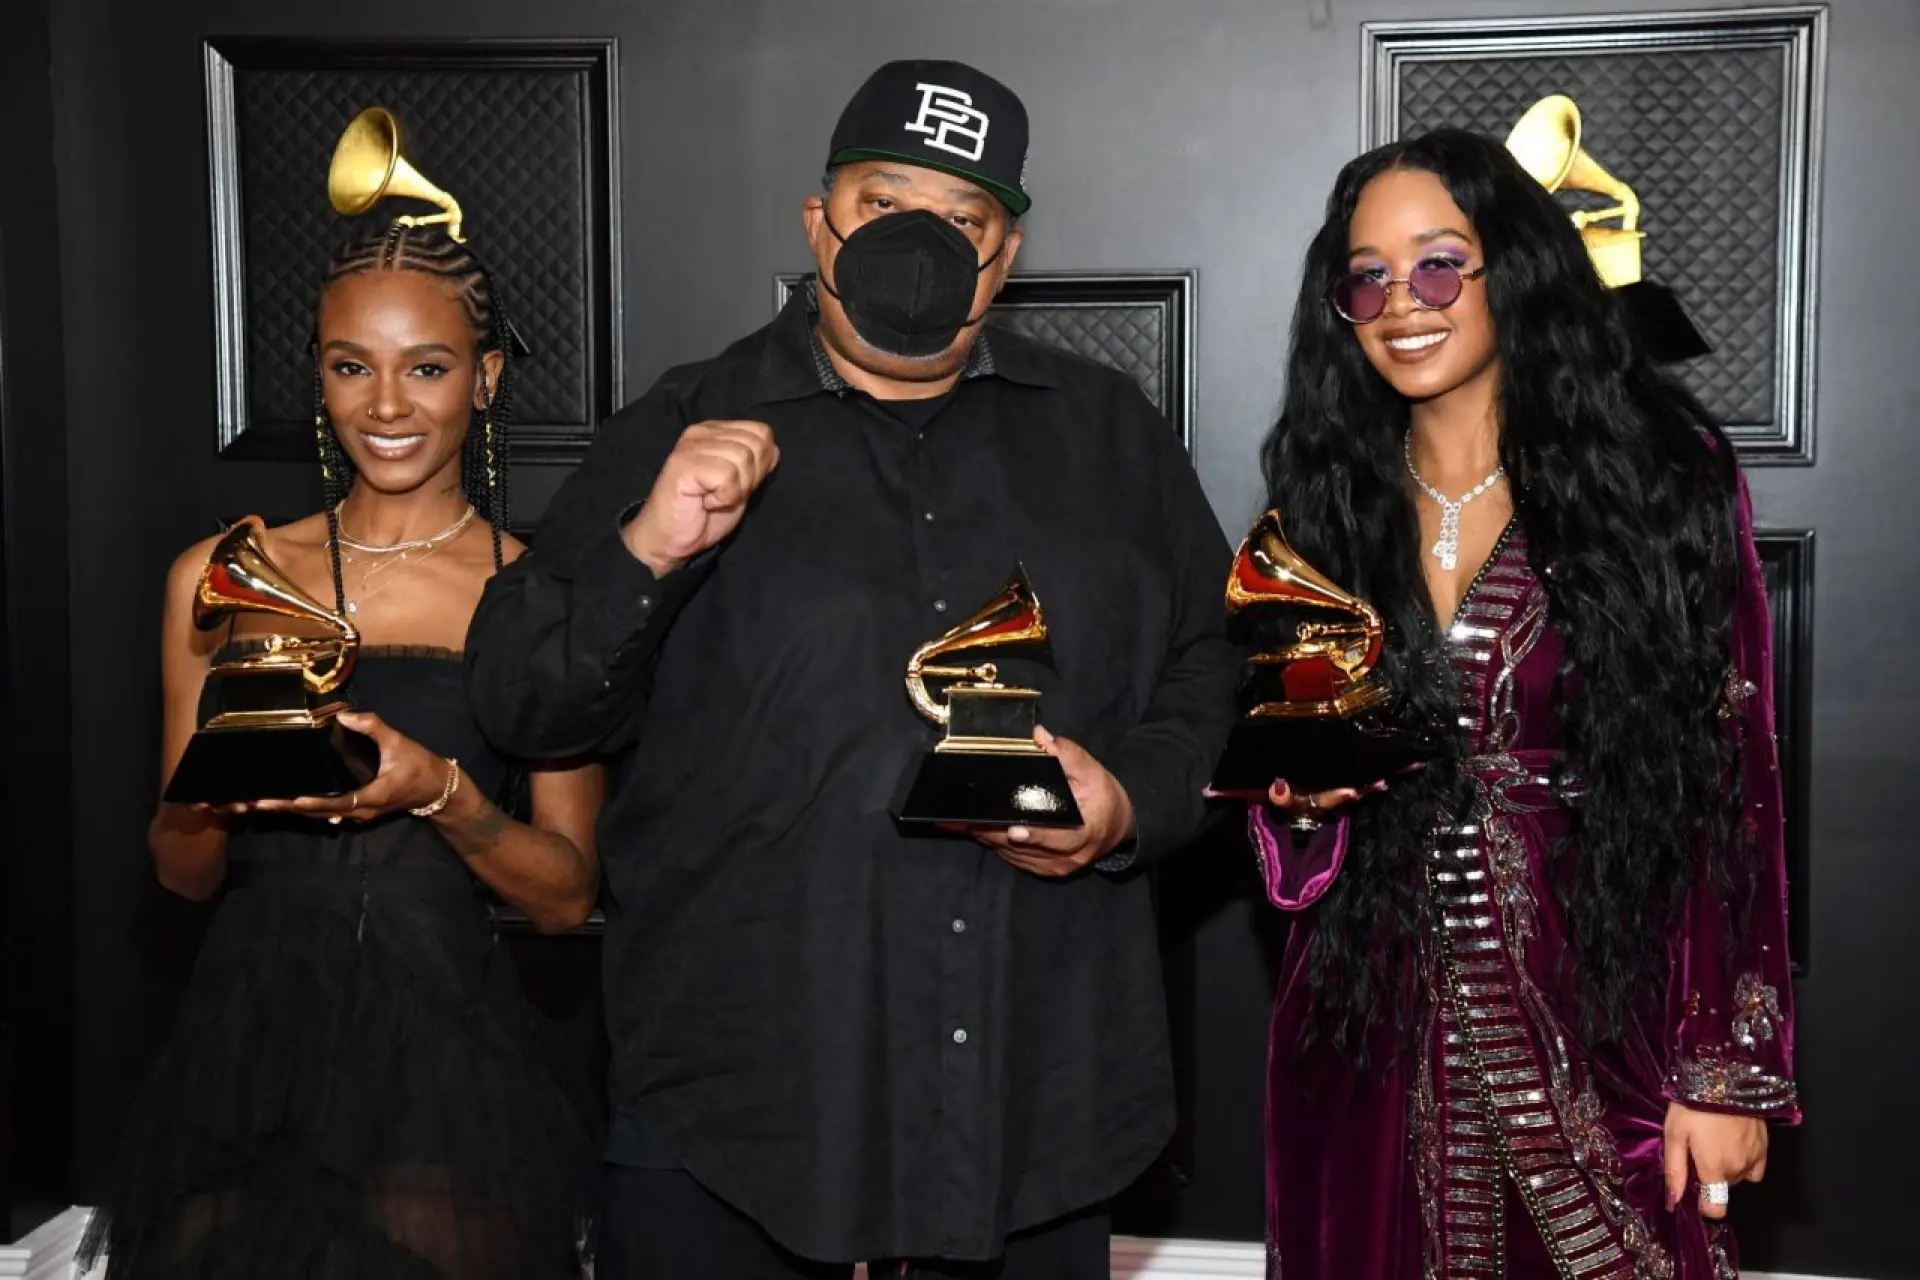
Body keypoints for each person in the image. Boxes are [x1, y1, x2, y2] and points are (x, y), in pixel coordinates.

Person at [465, 58, 1238, 1279]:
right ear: (818, 222)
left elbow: (1220, 661)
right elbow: (525, 701)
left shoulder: (1109, 434)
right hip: (737, 1120)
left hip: (1032, 1106)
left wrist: (1135, 797)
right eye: (884, 204)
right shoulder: (680, 423)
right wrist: (648, 546)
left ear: (1006, 254)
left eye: (962, 219)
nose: (919, 243)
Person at [1244, 129, 1798, 1277]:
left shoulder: (1661, 479)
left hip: (1601, 1007)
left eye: (1440, 264)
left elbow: (1729, 780)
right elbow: (1288, 807)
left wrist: (1722, 1070)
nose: (1403, 301)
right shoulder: (1320, 508)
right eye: (1368, 277)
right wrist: (1298, 800)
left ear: (1516, 265)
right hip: (1361, 1030)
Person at [82, 207, 603, 1277]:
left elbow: (564, 896)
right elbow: (181, 875)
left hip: (450, 1070)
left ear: (486, 379)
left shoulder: (541, 597)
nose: (386, 405)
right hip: (244, 1056)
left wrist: (440, 792)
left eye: (427, 368)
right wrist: (216, 791)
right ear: (318, 376)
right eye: (351, 366)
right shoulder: (222, 577)